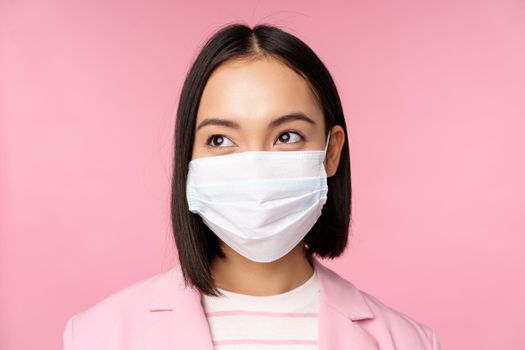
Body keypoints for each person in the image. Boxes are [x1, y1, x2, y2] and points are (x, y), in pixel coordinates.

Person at [63, 23, 441, 349]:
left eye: (287, 136)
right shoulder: (99, 336)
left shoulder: (409, 342)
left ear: (331, 152)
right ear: (188, 159)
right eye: (221, 140)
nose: (256, 169)